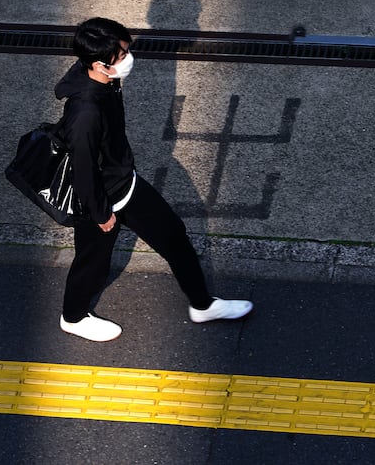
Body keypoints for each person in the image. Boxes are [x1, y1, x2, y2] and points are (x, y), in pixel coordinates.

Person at [54, 17, 252, 342]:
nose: (128, 58)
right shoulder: (85, 113)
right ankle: (73, 318)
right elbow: (83, 169)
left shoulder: (104, 80)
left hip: (125, 184)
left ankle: (202, 305)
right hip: (100, 201)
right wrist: (101, 214)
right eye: (122, 55)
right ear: (100, 64)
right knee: (93, 264)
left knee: (174, 237)